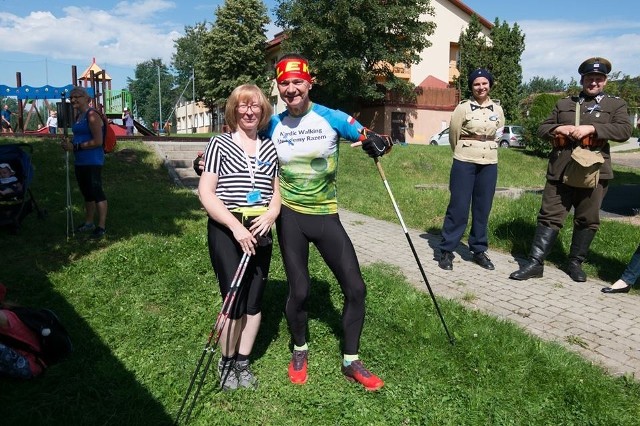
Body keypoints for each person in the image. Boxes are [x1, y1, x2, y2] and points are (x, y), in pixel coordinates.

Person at [262, 53, 392, 391]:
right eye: (284, 84)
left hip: (325, 215)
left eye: (297, 82)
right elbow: (243, 142)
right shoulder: (273, 124)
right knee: (300, 290)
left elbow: (370, 136)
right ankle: (299, 349)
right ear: (279, 87)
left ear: (309, 82)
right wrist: (208, 160)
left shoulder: (330, 117)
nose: (291, 89)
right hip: (290, 216)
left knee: (356, 289)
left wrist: (377, 143)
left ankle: (351, 360)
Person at [510, 57, 632, 282]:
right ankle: (535, 264)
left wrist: (592, 128)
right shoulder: (565, 104)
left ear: (604, 81)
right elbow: (542, 129)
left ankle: (575, 263)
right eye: (589, 78)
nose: (593, 82)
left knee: (587, 218)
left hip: (593, 171)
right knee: (549, 216)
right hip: (561, 168)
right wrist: (561, 128)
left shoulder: (615, 105)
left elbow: (624, 130)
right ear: (582, 79)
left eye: (598, 78)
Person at [198, 84, 280, 390]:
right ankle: (226, 360)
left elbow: (276, 190)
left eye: (255, 106)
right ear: (234, 110)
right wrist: (236, 227)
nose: (249, 111)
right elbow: (205, 193)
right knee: (233, 304)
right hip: (228, 229)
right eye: (243, 106)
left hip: (260, 229)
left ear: (262, 111)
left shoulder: (269, 146)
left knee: (254, 303)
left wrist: (272, 214)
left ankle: (243, 362)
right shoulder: (219, 144)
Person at [437, 68, 505, 271]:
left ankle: (478, 250)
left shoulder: (498, 110)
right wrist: (463, 151)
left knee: (482, 208)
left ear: (490, 85)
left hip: (489, 163)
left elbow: (499, 133)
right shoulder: (463, 108)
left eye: (484, 83)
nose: (481, 87)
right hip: (464, 161)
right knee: (458, 207)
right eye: (476, 84)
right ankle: (447, 250)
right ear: (472, 87)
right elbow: (454, 135)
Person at [60, 86, 109, 240]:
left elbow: (98, 141)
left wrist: (75, 146)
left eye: (77, 96)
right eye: (71, 97)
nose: (73, 99)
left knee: (96, 191)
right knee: (87, 193)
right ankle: (89, 222)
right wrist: (70, 142)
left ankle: (101, 226)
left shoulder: (92, 115)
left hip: (93, 160)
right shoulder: (79, 117)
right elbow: (80, 136)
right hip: (80, 160)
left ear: (86, 99)